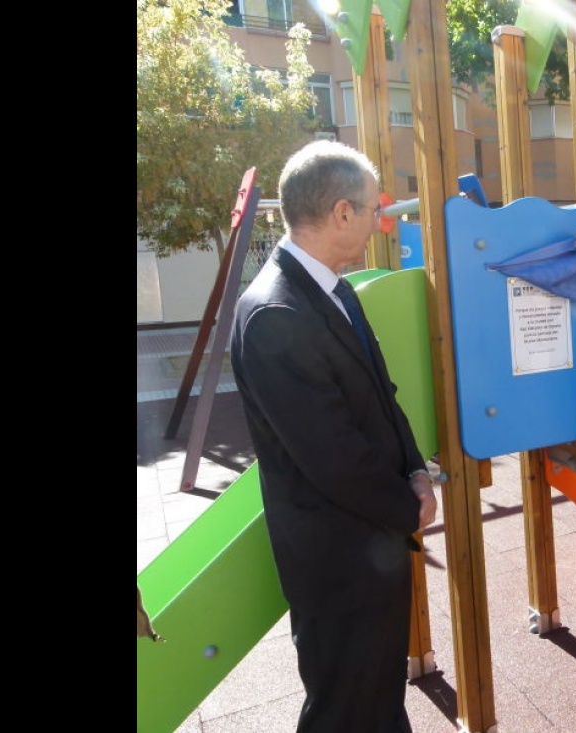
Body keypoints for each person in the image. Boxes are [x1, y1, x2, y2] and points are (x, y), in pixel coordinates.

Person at [229, 140, 438, 733]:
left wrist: (417, 470)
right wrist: (409, 508)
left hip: (368, 546)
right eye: (374, 209)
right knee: (344, 708)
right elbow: (333, 458)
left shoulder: (333, 288)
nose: (380, 222)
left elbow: (382, 394)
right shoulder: (277, 312)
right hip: (338, 560)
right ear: (342, 213)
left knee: (376, 699)